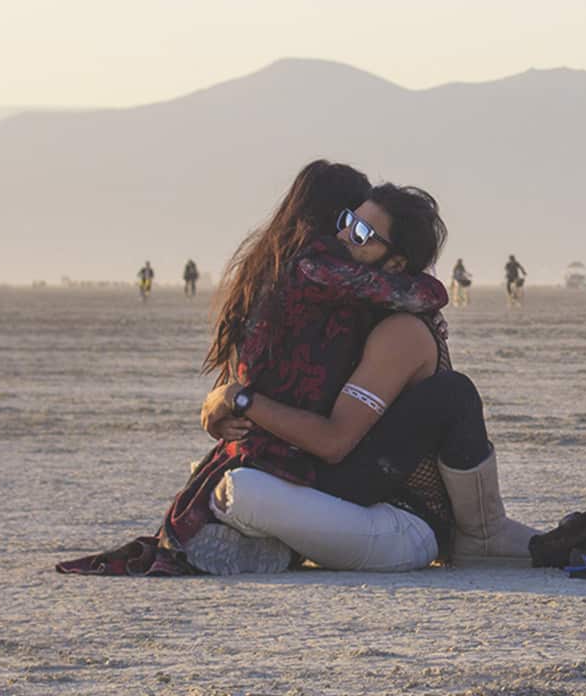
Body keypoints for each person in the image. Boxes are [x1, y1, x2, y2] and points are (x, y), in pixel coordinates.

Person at [56, 163, 479, 576]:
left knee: (243, 490)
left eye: (361, 229)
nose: (345, 234)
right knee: (245, 491)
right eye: (347, 219)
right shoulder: (318, 270)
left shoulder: (286, 274)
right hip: (295, 457)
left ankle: (250, 529)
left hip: (291, 459)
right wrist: (237, 399)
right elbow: (427, 294)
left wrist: (233, 398)